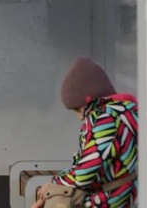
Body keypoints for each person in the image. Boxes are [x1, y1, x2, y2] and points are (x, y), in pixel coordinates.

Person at [31, 56, 138, 208]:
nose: (80, 117)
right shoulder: (128, 111)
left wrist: (53, 184)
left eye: (78, 109)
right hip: (126, 194)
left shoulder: (107, 118)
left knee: (51, 200)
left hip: (110, 200)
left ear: (90, 99)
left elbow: (84, 174)